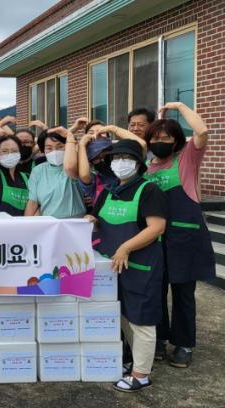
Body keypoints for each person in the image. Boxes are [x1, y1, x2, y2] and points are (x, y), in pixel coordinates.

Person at [87, 139, 167, 393]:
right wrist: (90, 220)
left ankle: (141, 375)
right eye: (116, 158)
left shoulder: (148, 190)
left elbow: (157, 227)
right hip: (114, 267)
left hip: (140, 265)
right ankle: (135, 364)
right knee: (123, 316)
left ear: (138, 163)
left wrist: (126, 247)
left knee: (141, 319)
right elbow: (98, 219)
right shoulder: (110, 190)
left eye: (127, 158)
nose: (120, 163)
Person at [143, 102, 216, 368]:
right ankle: (160, 339)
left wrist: (178, 105)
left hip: (185, 239)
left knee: (183, 292)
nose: (159, 143)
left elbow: (202, 131)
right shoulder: (145, 166)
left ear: (176, 142)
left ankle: (184, 344)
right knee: (156, 290)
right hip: (155, 238)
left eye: (166, 138)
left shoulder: (186, 159)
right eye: (155, 138)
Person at [78, 123, 147, 209]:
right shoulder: (88, 167)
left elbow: (141, 144)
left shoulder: (120, 157)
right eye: (91, 133)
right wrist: (81, 145)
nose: (96, 135)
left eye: (101, 132)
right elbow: (84, 176)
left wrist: (113, 129)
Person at [25, 127, 84, 218]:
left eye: (60, 147)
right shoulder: (38, 170)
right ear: (43, 150)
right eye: (49, 148)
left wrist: (69, 136)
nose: (55, 151)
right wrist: (26, 223)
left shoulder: (78, 166)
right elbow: (33, 202)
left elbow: (69, 167)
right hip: (48, 223)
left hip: (75, 222)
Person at [0, 120, 31, 216]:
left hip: (23, 224)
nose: (9, 154)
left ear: (20, 153)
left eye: (14, 151)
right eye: (4, 151)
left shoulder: (27, 177)